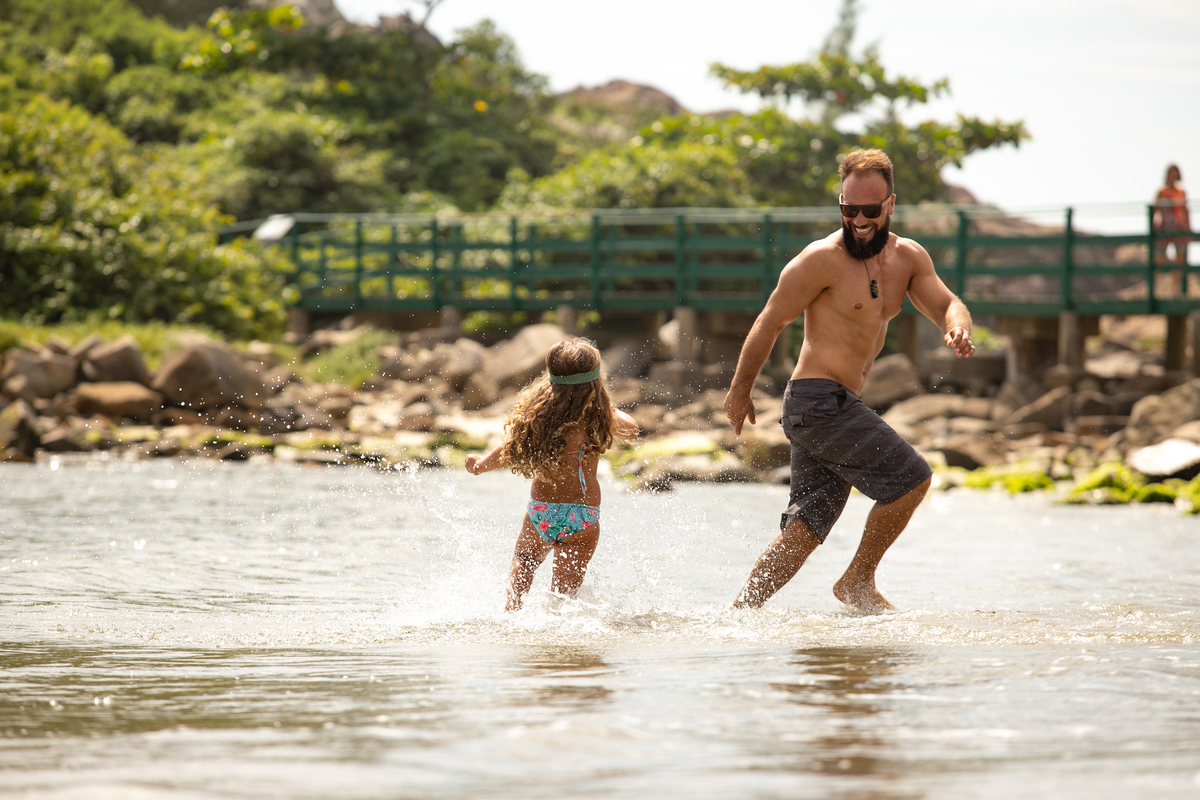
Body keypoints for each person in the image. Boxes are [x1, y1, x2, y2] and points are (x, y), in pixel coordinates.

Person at [723, 148, 975, 614]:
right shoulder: (820, 260)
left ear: (891, 205)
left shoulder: (908, 259)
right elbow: (769, 321)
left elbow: (946, 302)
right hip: (817, 402)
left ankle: (739, 616)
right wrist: (740, 390)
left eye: (870, 210)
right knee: (912, 479)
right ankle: (858, 580)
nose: (858, 219)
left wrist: (956, 325)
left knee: (806, 530)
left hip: (832, 406)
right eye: (848, 209)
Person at [465, 338, 639, 611]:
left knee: (524, 559)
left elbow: (509, 448)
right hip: (583, 517)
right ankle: (560, 631)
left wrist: (480, 465)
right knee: (564, 596)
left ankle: (511, 613)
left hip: (542, 511)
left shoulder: (540, 417)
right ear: (595, 381)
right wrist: (604, 403)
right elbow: (632, 428)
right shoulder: (598, 417)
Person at [1153, 163, 1191, 296]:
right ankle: (1155, 290)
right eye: (1171, 172)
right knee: (1158, 259)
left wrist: (1188, 228)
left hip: (1179, 229)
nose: (1173, 175)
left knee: (1180, 260)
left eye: (1175, 172)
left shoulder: (1182, 192)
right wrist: (1154, 226)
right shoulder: (1161, 191)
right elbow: (1155, 209)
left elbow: (1186, 211)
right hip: (1164, 228)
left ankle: (1175, 292)